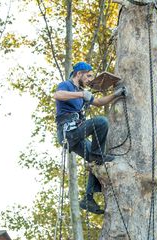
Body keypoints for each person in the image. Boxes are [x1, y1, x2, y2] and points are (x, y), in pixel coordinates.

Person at [54, 62, 126, 214]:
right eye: (88, 76)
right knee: (101, 122)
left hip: (77, 133)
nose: (89, 80)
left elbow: (99, 103)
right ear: (78, 74)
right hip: (68, 132)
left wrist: (116, 94)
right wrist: (80, 94)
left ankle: (88, 198)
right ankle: (97, 156)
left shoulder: (82, 93)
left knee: (96, 159)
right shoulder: (66, 85)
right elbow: (57, 95)